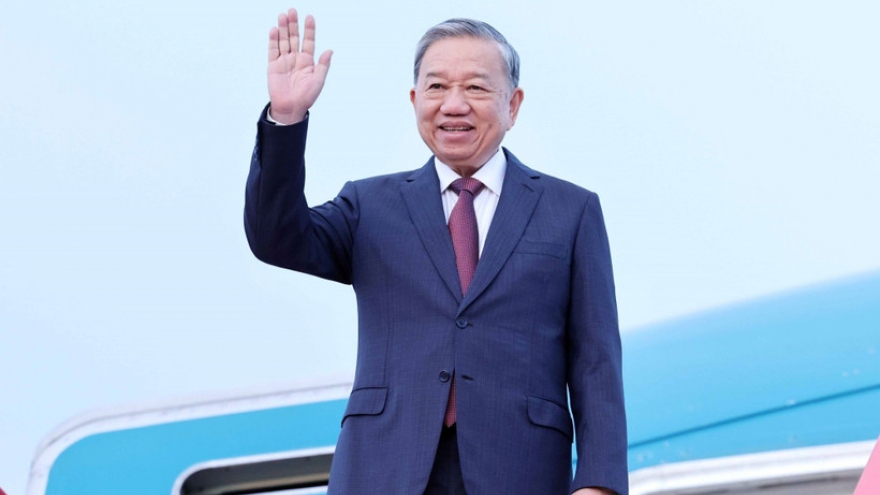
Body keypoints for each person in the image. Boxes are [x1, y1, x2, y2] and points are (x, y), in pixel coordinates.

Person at [245, 8, 627, 495]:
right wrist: (286, 118)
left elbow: (596, 363)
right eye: (437, 87)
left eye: (476, 87)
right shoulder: (370, 206)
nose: (454, 104)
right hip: (384, 470)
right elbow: (275, 237)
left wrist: (599, 484)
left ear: (513, 104)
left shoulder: (570, 211)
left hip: (521, 470)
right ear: (415, 100)